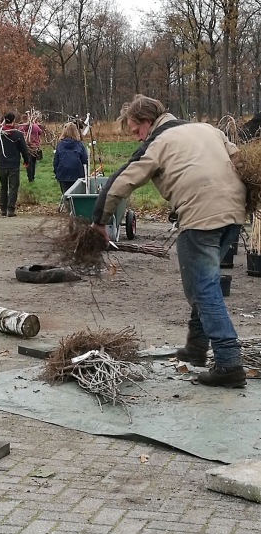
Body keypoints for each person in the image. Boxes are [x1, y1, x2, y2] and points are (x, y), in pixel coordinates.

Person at [91, 94, 247, 388]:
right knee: (203, 284)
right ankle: (198, 348)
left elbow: (121, 181)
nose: (136, 136)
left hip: (201, 217)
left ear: (147, 122)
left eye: (136, 130)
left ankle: (229, 363)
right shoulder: (208, 129)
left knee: (203, 289)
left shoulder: (157, 143)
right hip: (234, 214)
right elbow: (242, 161)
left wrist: (99, 221)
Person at [0, 112, 29, 217]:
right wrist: (26, 160)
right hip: (13, 164)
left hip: (2, 163)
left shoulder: (0, 133)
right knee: (13, 186)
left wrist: (0, 129)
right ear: (13, 120)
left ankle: (3, 208)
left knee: (3, 186)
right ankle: (10, 209)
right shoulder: (17, 134)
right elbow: (24, 149)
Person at [53, 122, 89, 194]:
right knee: (76, 195)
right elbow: (85, 160)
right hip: (77, 174)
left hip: (63, 174)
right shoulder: (79, 145)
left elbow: (56, 161)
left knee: (66, 194)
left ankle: (67, 204)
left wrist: (56, 172)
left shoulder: (60, 144)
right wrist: (86, 173)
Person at [18, 113, 43, 182]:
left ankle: (30, 178)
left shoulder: (21, 128)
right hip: (35, 147)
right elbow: (40, 132)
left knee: (28, 162)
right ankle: (32, 176)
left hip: (26, 148)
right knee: (33, 162)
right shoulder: (35, 126)